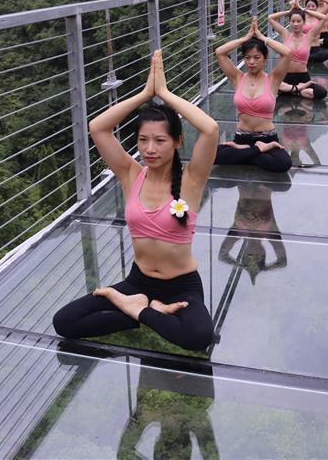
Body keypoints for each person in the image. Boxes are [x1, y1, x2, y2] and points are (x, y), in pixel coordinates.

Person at [53, 50, 218, 351]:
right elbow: (98, 127)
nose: (150, 149)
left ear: (178, 141)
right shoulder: (131, 173)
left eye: (159, 140)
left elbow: (210, 129)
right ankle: (146, 311)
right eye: (143, 140)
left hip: (182, 285)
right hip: (137, 283)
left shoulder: (193, 179)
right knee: (65, 322)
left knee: (199, 337)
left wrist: (165, 93)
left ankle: (138, 311)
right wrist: (144, 94)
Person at [213, 17, 293, 173]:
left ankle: (244, 155)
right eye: (247, 57)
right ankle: (256, 151)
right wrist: (245, 38)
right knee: (213, 155)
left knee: (283, 163)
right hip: (241, 138)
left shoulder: (273, 79)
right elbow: (220, 53)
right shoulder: (238, 77)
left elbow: (287, 53)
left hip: (267, 138)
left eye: (257, 57)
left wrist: (263, 38)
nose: (251, 62)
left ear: (265, 59)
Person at [269, 2, 328, 100]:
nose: (295, 24)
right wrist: (289, 11)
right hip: (286, 76)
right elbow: (271, 18)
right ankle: (298, 91)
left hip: (303, 77)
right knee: (269, 85)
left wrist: (304, 10)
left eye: (298, 21)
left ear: (303, 22)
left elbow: (323, 18)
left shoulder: (309, 36)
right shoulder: (286, 34)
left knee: (321, 92)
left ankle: (291, 91)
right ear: (289, 22)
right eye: (293, 21)